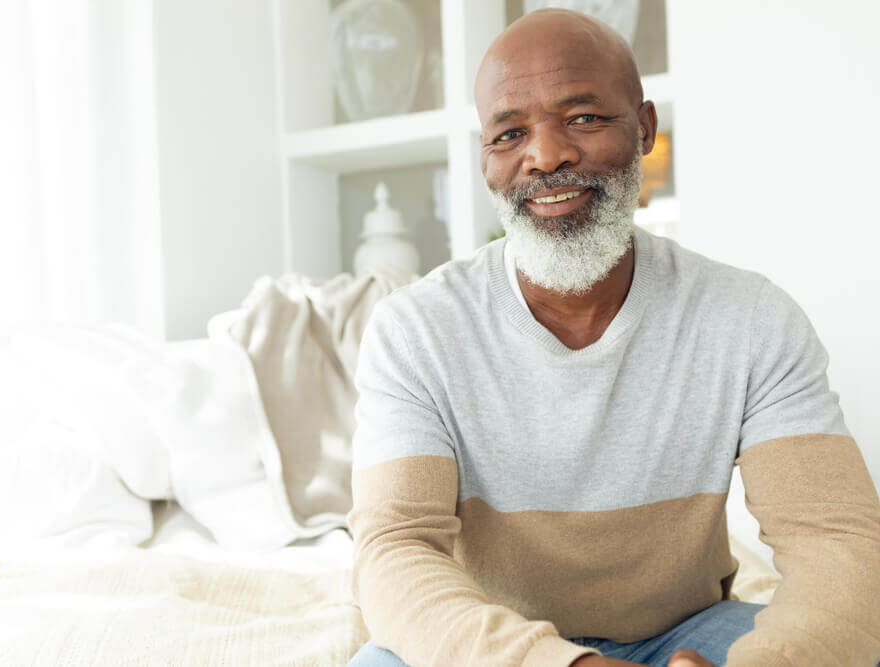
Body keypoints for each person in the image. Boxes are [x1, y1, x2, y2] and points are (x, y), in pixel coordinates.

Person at [345, 8, 880, 667]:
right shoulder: (416, 331)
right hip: (488, 643)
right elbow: (394, 549)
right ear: (486, 159)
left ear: (645, 128)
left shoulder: (752, 319)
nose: (546, 155)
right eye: (510, 132)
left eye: (584, 118)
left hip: (685, 632)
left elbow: (836, 541)